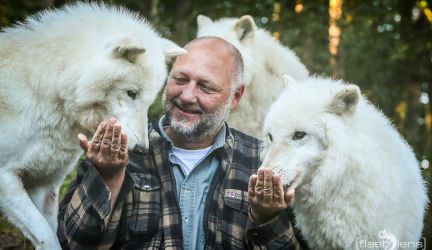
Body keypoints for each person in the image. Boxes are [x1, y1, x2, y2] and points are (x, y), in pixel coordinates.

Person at [58, 36, 307, 249]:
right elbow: (70, 243)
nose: (187, 96)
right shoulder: (118, 150)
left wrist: (266, 217)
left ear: (235, 96)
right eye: (180, 79)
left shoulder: (265, 161)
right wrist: (108, 177)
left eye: (205, 87)